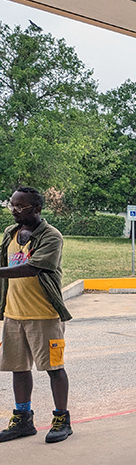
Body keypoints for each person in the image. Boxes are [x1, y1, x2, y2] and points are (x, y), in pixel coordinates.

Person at [0, 187, 73, 444]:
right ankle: (23, 419)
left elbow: (32, 268)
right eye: (12, 205)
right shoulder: (11, 233)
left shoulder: (52, 236)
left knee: (54, 368)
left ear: (37, 209)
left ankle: (62, 419)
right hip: (14, 314)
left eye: (20, 207)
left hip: (44, 315)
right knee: (18, 368)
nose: (14, 210)